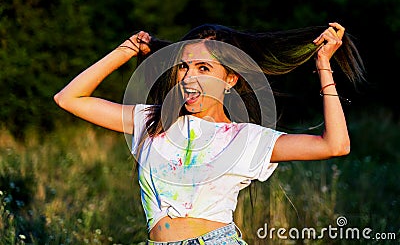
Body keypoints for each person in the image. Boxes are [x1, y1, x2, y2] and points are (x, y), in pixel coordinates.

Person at [54, 22, 365, 244]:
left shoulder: (246, 138)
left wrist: (324, 66)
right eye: (183, 67)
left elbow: (335, 145)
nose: (189, 78)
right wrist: (127, 50)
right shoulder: (153, 122)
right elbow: (68, 99)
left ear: (229, 78)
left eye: (203, 68)